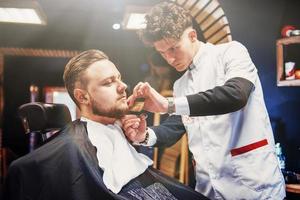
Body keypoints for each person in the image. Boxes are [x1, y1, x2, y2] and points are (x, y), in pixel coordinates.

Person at [122, 2, 286, 200]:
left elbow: (236, 95)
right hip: (208, 191)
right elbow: (174, 128)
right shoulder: (180, 85)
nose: (170, 59)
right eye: (163, 53)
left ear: (192, 36)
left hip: (254, 188)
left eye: (174, 48)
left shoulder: (231, 52)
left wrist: (169, 104)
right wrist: (143, 135)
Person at [4, 49, 206, 200]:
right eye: (109, 82)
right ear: (82, 96)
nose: (123, 86)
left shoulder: (120, 130)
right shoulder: (73, 149)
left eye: (119, 78)